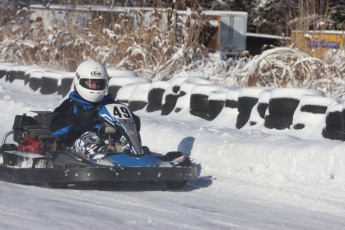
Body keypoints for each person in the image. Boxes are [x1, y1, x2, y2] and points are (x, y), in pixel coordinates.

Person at [49, 59, 140, 159]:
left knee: (126, 141)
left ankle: (136, 159)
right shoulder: (72, 104)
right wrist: (79, 119)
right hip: (76, 148)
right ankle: (103, 161)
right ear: (79, 81)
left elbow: (130, 124)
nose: (95, 87)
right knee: (89, 138)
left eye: (99, 84)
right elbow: (54, 127)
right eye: (90, 83)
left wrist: (132, 120)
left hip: (109, 145)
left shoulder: (110, 104)